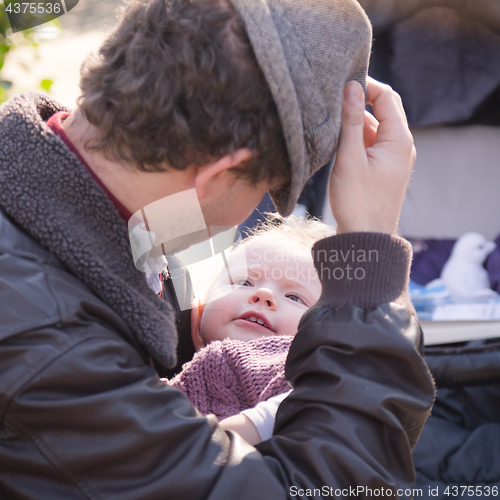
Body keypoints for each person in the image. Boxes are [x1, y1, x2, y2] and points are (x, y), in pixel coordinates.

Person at [0, 0, 434, 498]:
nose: (238, 220)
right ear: (220, 175)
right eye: (263, 190)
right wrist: (369, 254)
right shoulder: (51, 346)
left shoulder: (73, 189)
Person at [170, 216, 333, 443]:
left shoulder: (296, 373)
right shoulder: (174, 379)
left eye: (295, 297)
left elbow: (310, 405)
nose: (264, 294)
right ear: (197, 317)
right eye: (244, 282)